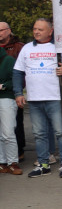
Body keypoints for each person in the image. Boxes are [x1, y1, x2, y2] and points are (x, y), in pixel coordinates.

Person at [12, 19, 62, 178]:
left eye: (40, 29)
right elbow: (18, 72)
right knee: (39, 134)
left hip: (55, 98)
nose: (36, 32)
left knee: (61, 133)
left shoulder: (60, 47)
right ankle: (44, 164)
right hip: (35, 99)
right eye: (35, 29)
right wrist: (18, 93)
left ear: (50, 31)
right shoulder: (27, 48)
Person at [0, 21, 25, 160]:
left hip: (13, 92)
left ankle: (18, 152)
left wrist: (18, 88)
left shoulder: (18, 47)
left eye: (1, 30)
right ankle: (3, 158)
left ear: (9, 31)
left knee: (16, 124)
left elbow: (23, 71)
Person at [0, 43, 17, 174]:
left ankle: (13, 162)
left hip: (6, 98)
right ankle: (2, 163)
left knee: (8, 133)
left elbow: (16, 80)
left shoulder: (8, 60)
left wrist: (2, 86)